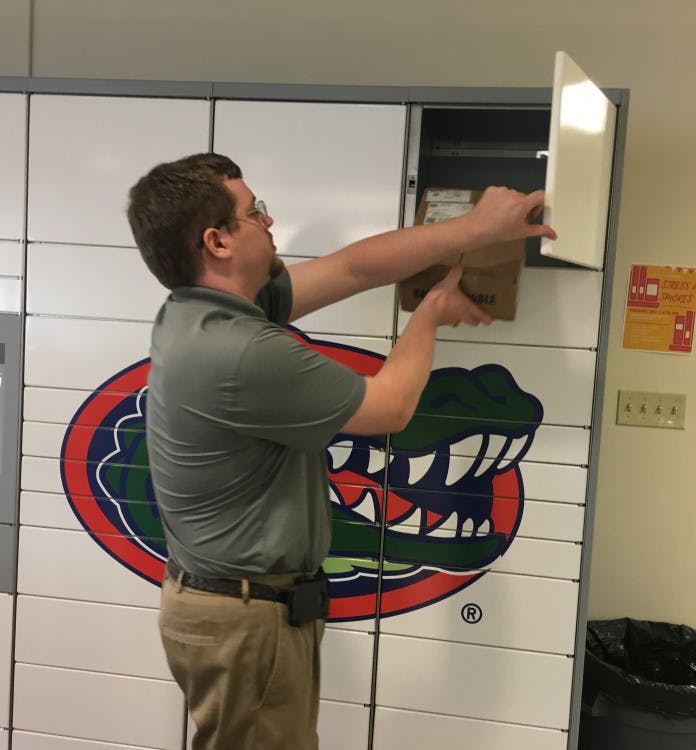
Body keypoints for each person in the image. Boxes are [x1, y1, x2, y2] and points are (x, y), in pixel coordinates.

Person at [126, 152, 555, 750]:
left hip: (241, 609)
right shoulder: (240, 353)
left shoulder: (198, 312)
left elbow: (352, 269)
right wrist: (429, 315)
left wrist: (473, 230)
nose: (269, 223)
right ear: (217, 241)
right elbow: (390, 408)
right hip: (246, 620)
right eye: (256, 214)